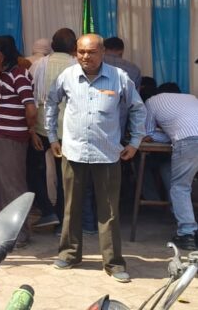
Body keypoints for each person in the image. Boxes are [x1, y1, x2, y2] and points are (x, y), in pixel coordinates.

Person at [47, 34, 146, 283]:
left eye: (91, 52)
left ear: (102, 52)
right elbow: (50, 103)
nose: (85, 57)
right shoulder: (67, 76)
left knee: (109, 211)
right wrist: (52, 137)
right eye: (81, 51)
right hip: (74, 152)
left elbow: (137, 108)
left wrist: (134, 142)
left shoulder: (119, 77)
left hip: (107, 153)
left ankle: (113, 263)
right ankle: (69, 254)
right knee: (71, 206)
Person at [0, 37, 37, 247]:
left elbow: (31, 109)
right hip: (3, 137)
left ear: (0, 55)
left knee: (13, 187)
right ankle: (8, 230)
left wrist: (30, 130)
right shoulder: (6, 75)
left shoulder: (19, 75)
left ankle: (19, 234)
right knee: (3, 186)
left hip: (12, 140)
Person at [29, 28, 78, 231]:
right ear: (74, 47)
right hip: (68, 130)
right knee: (65, 176)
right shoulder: (77, 66)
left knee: (32, 170)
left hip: (42, 127)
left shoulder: (39, 65)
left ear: (52, 45)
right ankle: (61, 221)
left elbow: (31, 96)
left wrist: (31, 129)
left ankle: (47, 210)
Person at [143, 83, 198, 250]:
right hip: (189, 138)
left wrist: (169, 135)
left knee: (180, 187)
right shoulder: (191, 97)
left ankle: (187, 234)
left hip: (188, 141)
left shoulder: (151, 101)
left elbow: (149, 134)